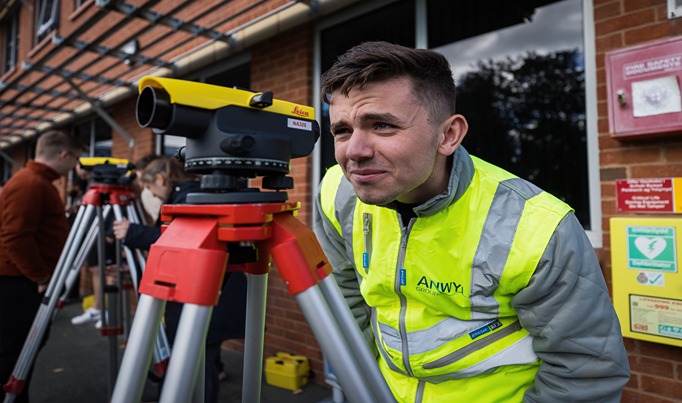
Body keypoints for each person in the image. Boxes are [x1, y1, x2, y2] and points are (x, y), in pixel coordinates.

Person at [312, 41, 630, 402]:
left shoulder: (536, 227)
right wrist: (364, 387)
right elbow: (345, 302)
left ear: (448, 135)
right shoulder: (337, 193)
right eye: (342, 131)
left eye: (382, 125)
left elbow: (585, 373)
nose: (354, 150)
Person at [112, 156, 247, 403]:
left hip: (208, 295)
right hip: (211, 292)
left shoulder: (189, 198)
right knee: (199, 358)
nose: (152, 195)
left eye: (151, 189)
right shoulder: (192, 193)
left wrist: (133, 232)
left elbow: (184, 240)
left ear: (161, 179)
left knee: (200, 361)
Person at [0, 130, 83, 402]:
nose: (75, 167)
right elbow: (15, 237)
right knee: (13, 353)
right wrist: (41, 277)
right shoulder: (31, 183)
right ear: (64, 154)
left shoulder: (36, 182)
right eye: (75, 159)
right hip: (18, 284)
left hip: (22, 281)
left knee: (21, 349)